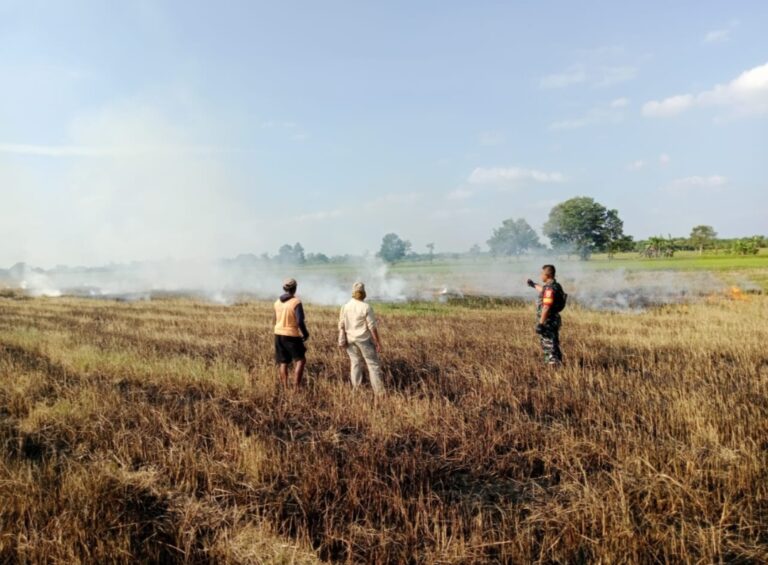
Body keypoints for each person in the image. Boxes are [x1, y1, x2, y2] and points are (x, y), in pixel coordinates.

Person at [338, 282, 384, 395]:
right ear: (364, 293)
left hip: (350, 340)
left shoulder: (345, 306)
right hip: (364, 340)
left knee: (355, 363)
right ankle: (379, 393)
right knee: (373, 365)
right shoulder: (366, 307)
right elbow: (372, 327)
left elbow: (341, 325)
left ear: (353, 292)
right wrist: (378, 342)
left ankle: (356, 390)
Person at [273, 278, 310, 387]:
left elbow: (274, 319)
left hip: (278, 334)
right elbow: (299, 321)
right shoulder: (296, 302)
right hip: (291, 334)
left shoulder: (277, 302)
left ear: (284, 288)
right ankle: (296, 388)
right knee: (300, 361)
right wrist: (305, 333)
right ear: (295, 288)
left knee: (283, 362)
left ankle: (285, 386)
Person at [526, 265, 565, 366]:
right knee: (554, 343)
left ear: (547, 274)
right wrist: (533, 284)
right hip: (554, 320)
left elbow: (546, 307)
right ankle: (558, 364)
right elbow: (543, 290)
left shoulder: (549, 288)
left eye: (541, 273)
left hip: (548, 322)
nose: (540, 276)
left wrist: (541, 324)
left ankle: (553, 367)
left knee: (549, 345)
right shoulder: (555, 285)